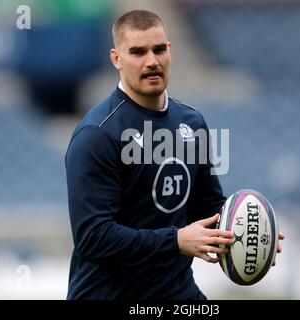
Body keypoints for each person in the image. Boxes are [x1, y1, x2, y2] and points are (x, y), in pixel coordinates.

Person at [65, 9, 284, 300]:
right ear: (117, 59)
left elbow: (207, 207)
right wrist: (176, 241)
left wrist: (250, 229)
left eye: (158, 50)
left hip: (176, 293)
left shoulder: (192, 124)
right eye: (138, 52)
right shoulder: (97, 134)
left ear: (170, 51)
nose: (151, 61)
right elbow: (93, 237)